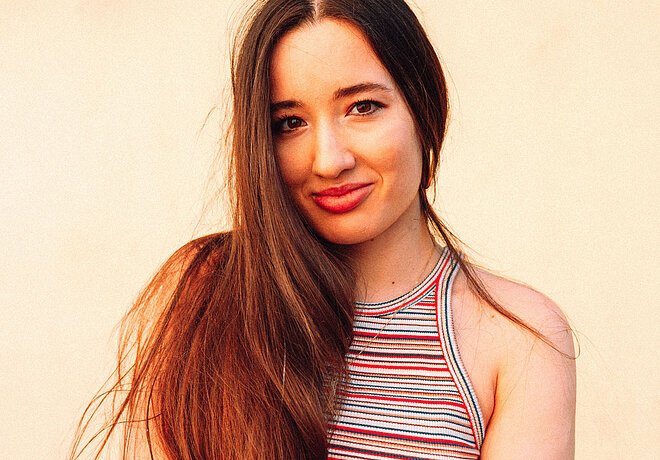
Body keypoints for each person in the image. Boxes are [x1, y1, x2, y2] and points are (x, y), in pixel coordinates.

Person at [71, 0, 576, 458]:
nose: (329, 161)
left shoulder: (520, 337)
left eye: (363, 107)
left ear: (424, 109)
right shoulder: (203, 293)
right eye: (290, 122)